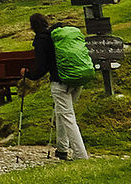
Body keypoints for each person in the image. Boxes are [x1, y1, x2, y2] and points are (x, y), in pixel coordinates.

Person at [26, 13, 95, 160]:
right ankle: (62, 149)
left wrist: (28, 74)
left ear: (32, 26)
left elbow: (41, 68)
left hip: (59, 83)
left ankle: (81, 155)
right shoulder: (58, 34)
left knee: (68, 117)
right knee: (61, 113)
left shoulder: (41, 40)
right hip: (76, 79)